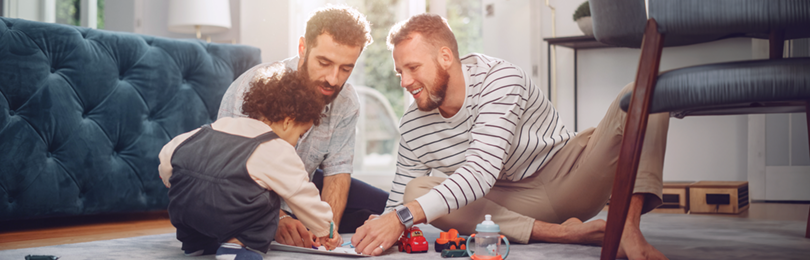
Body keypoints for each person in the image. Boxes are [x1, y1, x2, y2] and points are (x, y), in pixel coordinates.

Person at [351, 14, 670, 260]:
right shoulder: (413, 125)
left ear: (445, 57)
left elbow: (479, 173)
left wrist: (402, 216)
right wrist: (379, 226)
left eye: (413, 67)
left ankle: (627, 230)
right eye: (399, 72)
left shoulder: (500, 79)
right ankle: (564, 234)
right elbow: (398, 202)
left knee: (647, 92)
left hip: (570, 174)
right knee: (415, 190)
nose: (405, 81)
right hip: (509, 204)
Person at [217, 4, 388, 249]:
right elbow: (228, 174)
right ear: (302, 48)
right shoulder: (254, 88)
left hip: (304, 180)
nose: (333, 78)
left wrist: (328, 231)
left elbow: (337, 172)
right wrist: (277, 218)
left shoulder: (347, 101)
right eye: (324, 62)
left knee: (385, 209)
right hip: (245, 186)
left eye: (346, 68)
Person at [158, 65, 341, 260]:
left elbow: (168, 153)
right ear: (288, 121)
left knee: (198, 185)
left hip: (183, 211)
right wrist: (325, 228)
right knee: (269, 202)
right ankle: (235, 247)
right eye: (300, 134)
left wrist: (169, 179)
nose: (297, 142)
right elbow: (302, 195)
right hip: (226, 215)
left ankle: (197, 244)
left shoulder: (216, 127)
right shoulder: (276, 148)